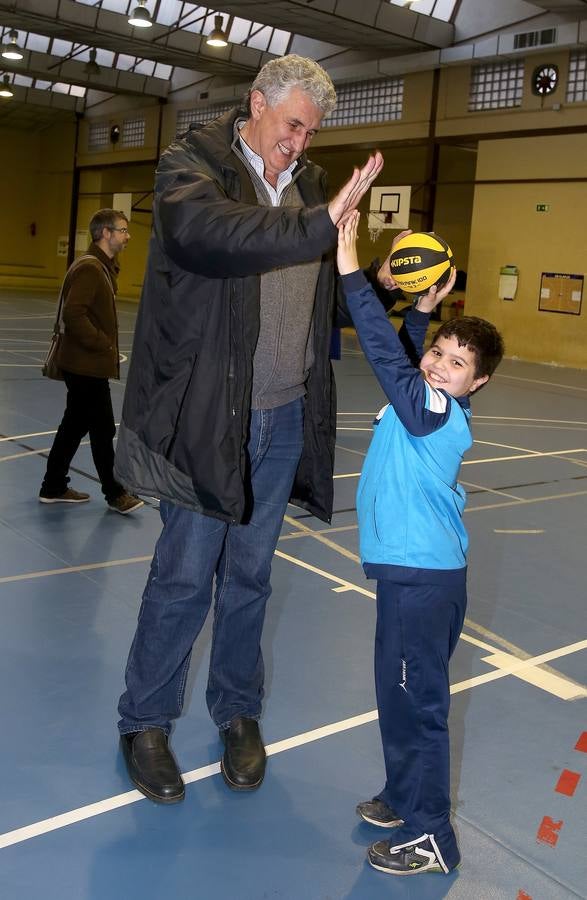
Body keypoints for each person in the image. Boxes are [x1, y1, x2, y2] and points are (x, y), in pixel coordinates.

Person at [114, 55, 389, 803]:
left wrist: (377, 281)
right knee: (182, 578)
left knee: (249, 578)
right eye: (293, 124)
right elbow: (211, 236)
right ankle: (145, 720)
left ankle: (236, 711)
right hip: (210, 419)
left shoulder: (304, 189)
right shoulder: (193, 167)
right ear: (257, 104)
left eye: (311, 131)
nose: (300, 143)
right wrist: (312, 222)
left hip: (282, 419)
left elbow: (313, 293)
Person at [336, 213, 504, 876]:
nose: (438, 365)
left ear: (476, 384)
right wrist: (419, 315)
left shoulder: (432, 410)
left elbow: (384, 358)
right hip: (410, 577)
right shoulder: (429, 396)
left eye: (456, 363)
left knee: (420, 706)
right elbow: (406, 357)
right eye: (439, 351)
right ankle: (404, 795)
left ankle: (432, 834)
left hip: (422, 581)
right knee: (397, 693)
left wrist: (352, 273)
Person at [39, 209, 144, 516]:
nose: (128, 236)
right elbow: (74, 314)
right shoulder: (90, 269)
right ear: (105, 233)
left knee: (73, 426)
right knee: (100, 430)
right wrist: (103, 343)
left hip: (86, 364)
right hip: (86, 365)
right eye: (123, 231)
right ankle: (115, 493)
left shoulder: (103, 267)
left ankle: (53, 485)